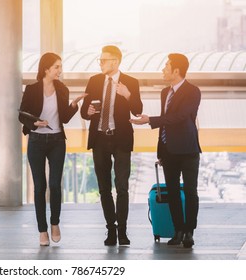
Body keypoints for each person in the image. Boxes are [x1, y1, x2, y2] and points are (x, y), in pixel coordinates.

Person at [130, 53, 201, 248]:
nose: (163, 69)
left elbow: (179, 117)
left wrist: (149, 120)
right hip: (169, 150)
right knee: (172, 192)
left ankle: (189, 232)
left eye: (166, 66)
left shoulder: (193, 91)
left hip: (187, 149)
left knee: (190, 191)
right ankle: (178, 231)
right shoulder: (164, 92)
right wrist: (161, 150)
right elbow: (166, 122)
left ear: (176, 70)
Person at [19, 52, 86, 246]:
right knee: (40, 187)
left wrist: (74, 104)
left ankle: (55, 223)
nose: (60, 70)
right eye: (57, 66)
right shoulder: (31, 89)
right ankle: (42, 230)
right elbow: (22, 115)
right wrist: (35, 123)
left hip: (57, 141)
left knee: (55, 185)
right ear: (46, 68)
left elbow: (64, 117)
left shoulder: (62, 88)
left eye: (60, 66)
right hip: (36, 142)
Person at [80, 45, 143, 246]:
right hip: (99, 139)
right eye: (100, 60)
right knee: (104, 188)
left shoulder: (131, 82)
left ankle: (122, 231)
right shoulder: (94, 81)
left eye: (103, 60)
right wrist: (87, 111)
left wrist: (128, 95)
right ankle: (111, 230)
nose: (100, 63)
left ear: (115, 61)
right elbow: (84, 112)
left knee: (122, 187)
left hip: (121, 139)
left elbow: (138, 110)